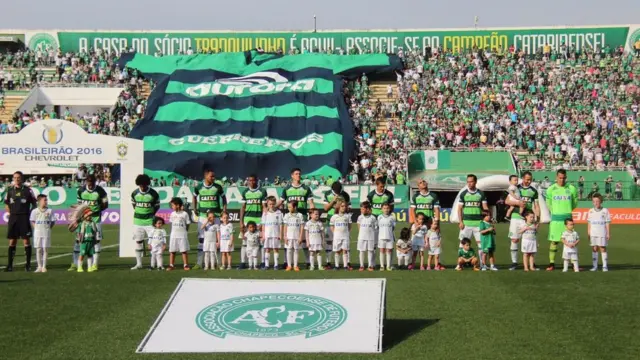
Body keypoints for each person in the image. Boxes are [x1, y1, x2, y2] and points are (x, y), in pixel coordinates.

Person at [71, 174, 108, 271]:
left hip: (96, 219)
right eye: (88, 183)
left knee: (96, 240)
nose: (90, 185)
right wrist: (78, 217)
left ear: (95, 182)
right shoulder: (81, 191)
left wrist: (94, 212)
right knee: (78, 240)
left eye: (92, 183)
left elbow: (105, 204)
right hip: (83, 219)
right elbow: (79, 206)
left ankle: (95, 264)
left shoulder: (100, 191)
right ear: (86, 182)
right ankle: (75, 264)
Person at [192, 169, 227, 270]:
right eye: (211, 176)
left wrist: (224, 210)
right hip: (203, 216)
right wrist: (194, 208)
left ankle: (219, 263)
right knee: (201, 239)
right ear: (205, 176)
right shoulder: (198, 187)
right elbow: (194, 197)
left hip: (216, 215)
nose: (213, 178)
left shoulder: (217, 187)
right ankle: (199, 263)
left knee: (217, 239)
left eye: (214, 176)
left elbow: (224, 198)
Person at [280, 168, 314, 267]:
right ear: (292, 175)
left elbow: (311, 203)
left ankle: (308, 262)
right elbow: (281, 201)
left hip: (302, 218)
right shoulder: (286, 189)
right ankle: (286, 262)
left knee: (303, 241)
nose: (298, 175)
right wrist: (271, 208)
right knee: (288, 241)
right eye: (296, 174)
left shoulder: (306, 188)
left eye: (299, 173)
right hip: (290, 219)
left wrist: (312, 213)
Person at [505, 171, 540, 270]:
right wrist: (518, 204)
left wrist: (538, 219)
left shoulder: (534, 191)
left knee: (531, 239)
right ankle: (514, 262)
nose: (528, 181)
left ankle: (532, 264)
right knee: (515, 239)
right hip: (516, 216)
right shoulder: (516, 188)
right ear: (523, 178)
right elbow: (507, 201)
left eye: (530, 179)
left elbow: (536, 206)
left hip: (528, 218)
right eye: (526, 179)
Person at [545, 169, 578, 271]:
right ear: (556, 177)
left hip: (567, 218)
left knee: (571, 241)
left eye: (564, 178)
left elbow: (574, 203)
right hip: (556, 219)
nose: (562, 180)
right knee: (554, 242)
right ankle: (551, 263)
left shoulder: (572, 188)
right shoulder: (551, 189)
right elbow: (548, 203)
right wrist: (555, 212)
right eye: (560, 178)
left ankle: (573, 263)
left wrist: (566, 211)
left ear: (566, 177)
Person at [4, 171, 37, 272]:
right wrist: (10, 213)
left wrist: (30, 214)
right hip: (13, 218)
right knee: (12, 241)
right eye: (14, 177)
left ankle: (27, 265)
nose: (16, 179)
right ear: (13, 179)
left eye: (18, 177)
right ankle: (10, 265)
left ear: (22, 178)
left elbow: (34, 204)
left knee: (26, 241)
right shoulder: (9, 191)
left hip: (24, 217)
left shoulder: (28, 191)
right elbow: (6, 204)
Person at [457, 174, 489, 267]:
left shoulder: (481, 194)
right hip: (466, 223)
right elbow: (459, 209)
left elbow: (485, 207)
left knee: (481, 244)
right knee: (462, 243)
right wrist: (460, 221)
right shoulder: (463, 194)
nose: (469, 183)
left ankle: (482, 264)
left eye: (471, 181)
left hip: (478, 223)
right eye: (468, 182)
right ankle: (460, 264)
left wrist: (487, 218)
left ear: (475, 182)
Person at [131, 174, 160, 270]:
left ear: (147, 184)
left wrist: (151, 215)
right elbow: (134, 205)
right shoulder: (134, 193)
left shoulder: (153, 194)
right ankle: (139, 264)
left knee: (154, 242)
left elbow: (157, 206)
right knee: (138, 241)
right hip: (138, 221)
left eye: (144, 185)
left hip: (149, 222)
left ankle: (153, 264)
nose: (142, 187)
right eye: (140, 185)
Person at [239, 174, 267, 269]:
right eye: (249, 180)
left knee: (261, 243)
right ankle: (243, 263)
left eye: (253, 180)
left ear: (256, 180)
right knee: (244, 242)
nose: (251, 182)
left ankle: (262, 263)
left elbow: (264, 207)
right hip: (247, 219)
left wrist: (263, 221)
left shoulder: (262, 191)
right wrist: (241, 222)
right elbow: (243, 207)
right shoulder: (245, 192)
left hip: (258, 219)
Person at [323, 181, 351, 269]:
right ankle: (328, 262)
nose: (338, 192)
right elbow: (326, 208)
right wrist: (333, 201)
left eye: (339, 191)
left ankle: (347, 263)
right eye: (336, 191)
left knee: (345, 244)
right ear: (333, 189)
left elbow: (349, 208)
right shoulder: (327, 194)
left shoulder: (345, 195)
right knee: (329, 242)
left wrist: (342, 208)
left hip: (342, 222)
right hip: (330, 220)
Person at [30, 194, 55, 273]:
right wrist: (36, 228)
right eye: (45, 200)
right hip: (37, 232)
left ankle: (44, 266)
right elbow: (32, 220)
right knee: (38, 249)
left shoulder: (49, 211)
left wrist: (48, 228)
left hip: (46, 232)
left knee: (45, 249)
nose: (46, 201)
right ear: (39, 201)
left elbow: (53, 221)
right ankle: (39, 266)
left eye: (46, 200)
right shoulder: (35, 211)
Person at [587, 193, 611, 272]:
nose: (596, 203)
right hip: (593, 233)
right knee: (594, 248)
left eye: (597, 201)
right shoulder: (590, 211)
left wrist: (608, 233)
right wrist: (588, 233)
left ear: (601, 201)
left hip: (602, 233)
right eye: (594, 201)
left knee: (602, 248)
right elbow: (589, 223)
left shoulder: (605, 211)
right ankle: (595, 266)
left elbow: (607, 223)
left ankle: (604, 266)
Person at [167, 197, 191, 271]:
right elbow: (171, 223)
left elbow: (187, 224)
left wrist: (185, 231)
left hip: (182, 235)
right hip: (174, 235)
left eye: (173, 205)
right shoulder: (172, 214)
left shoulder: (185, 214)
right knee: (172, 251)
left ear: (178, 205)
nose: (172, 207)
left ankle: (186, 265)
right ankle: (171, 265)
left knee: (184, 251)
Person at [261, 196, 283, 270]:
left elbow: (280, 224)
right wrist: (263, 235)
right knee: (267, 249)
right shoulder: (265, 213)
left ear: (275, 203)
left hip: (275, 234)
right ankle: (267, 265)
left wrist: (280, 234)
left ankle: (276, 265)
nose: (271, 205)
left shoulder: (279, 212)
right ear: (267, 204)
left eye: (273, 204)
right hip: (267, 234)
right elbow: (263, 225)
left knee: (275, 249)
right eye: (270, 204)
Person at [329, 200, 352, 271]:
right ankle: (337, 266)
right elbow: (332, 226)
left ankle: (345, 266)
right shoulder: (334, 217)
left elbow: (349, 226)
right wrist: (335, 233)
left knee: (345, 250)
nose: (344, 208)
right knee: (337, 251)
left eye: (345, 206)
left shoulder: (347, 216)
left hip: (345, 236)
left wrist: (347, 233)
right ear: (338, 207)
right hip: (337, 237)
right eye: (342, 206)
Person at [283, 201, 304, 271]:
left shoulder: (300, 215)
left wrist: (301, 236)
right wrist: (285, 236)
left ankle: (295, 266)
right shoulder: (286, 215)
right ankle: (289, 265)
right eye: (288, 207)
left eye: (290, 207)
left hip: (297, 236)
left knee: (296, 251)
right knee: (288, 250)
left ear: (295, 207)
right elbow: (285, 226)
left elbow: (302, 226)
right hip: (289, 237)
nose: (288, 208)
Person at [76, 208, 99, 273]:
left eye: (90, 215)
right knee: (82, 254)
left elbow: (95, 231)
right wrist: (78, 239)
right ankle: (79, 267)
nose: (89, 217)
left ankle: (89, 267)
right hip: (84, 241)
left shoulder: (92, 223)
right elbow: (78, 232)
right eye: (88, 215)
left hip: (91, 241)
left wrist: (96, 239)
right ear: (84, 216)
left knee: (90, 254)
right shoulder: (82, 223)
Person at [357, 201, 377, 271]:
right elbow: (359, 226)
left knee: (370, 251)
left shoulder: (373, 218)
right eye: (361, 209)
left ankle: (370, 266)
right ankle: (361, 265)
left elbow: (375, 228)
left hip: (371, 237)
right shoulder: (360, 217)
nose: (361, 210)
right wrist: (361, 234)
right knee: (361, 251)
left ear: (368, 209)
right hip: (361, 237)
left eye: (362, 209)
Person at [377, 203, 395, 271]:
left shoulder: (392, 217)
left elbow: (393, 227)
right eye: (384, 208)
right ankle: (382, 266)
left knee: (389, 251)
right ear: (382, 209)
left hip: (389, 237)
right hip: (381, 237)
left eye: (387, 208)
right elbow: (378, 227)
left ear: (389, 209)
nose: (386, 210)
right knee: (382, 251)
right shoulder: (379, 217)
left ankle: (388, 266)